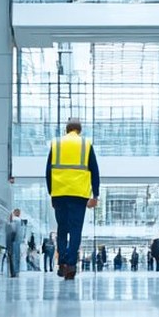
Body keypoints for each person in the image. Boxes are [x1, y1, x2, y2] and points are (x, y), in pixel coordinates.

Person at [46, 118, 100, 280]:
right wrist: (95, 195)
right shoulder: (85, 144)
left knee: (62, 229)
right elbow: (95, 171)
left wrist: (52, 193)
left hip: (59, 193)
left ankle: (62, 261)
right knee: (76, 229)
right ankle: (70, 264)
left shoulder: (56, 144)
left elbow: (48, 171)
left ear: (66, 130)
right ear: (79, 130)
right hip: (79, 195)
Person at [4, 209, 26, 278]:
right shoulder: (20, 222)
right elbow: (20, 234)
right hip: (16, 242)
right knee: (16, 257)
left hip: (11, 242)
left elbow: (9, 232)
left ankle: (13, 272)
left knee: (12, 257)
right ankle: (16, 271)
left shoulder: (12, 222)